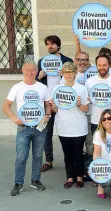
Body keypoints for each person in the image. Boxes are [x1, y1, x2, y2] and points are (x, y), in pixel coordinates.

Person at [3, 61, 51, 196]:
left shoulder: (42, 87)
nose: (30, 73)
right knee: (21, 157)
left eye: (33, 70)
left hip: (39, 128)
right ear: (22, 71)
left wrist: (47, 115)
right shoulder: (17, 87)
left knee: (37, 156)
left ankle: (35, 180)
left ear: (36, 71)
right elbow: (6, 106)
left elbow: (48, 104)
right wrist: (14, 118)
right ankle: (18, 183)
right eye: (27, 70)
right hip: (23, 127)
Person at [36, 35, 73, 172]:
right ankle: (48, 160)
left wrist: (63, 75)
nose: (50, 46)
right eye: (47, 44)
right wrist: (39, 77)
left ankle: (71, 159)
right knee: (46, 132)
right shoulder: (42, 61)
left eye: (52, 44)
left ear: (58, 45)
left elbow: (73, 79)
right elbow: (36, 82)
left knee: (68, 131)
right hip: (47, 103)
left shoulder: (67, 61)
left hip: (63, 102)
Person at [50, 62, 89, 189]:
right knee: (67, 154)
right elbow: (55, 110)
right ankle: (69, 177)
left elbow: (86, 109)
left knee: (77, 153)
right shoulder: (57, 89)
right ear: (63, 73)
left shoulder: (81, 88)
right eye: (66, 72)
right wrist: (53, 106)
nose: (68, 74)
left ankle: (79, 177)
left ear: (75, 73)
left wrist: (78, 104)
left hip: (78, 126)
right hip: (63, 126)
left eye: (70, 72)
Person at [85, 53, 111, 134]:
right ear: (96, 66)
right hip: (96, 121)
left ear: (109, 65)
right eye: (99, 65)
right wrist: (89, 100)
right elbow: (86, 100)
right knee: (97, 146)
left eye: (104, 65)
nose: (102, 67)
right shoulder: (89, 81)